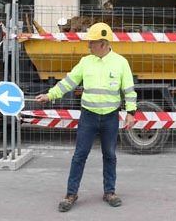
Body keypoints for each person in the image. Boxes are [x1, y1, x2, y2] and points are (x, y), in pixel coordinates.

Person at [35, 22, 137, 212]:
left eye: (92, 42)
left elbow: (129, 90)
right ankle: (71, 194)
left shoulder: (121, 62)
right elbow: (68, 82)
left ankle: (110, 192)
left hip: (110, 118)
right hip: (88, 117)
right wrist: (50, 95)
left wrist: (131, 112)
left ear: (103, 43)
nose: (88, 45)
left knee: (110, 155)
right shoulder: (85, 62)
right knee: (79, 155)